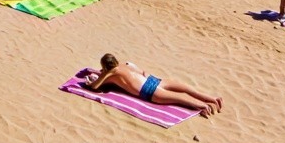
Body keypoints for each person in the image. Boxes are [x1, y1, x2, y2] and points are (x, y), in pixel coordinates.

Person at [83, 53, 221, 115]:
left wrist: (103, 75)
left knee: (180, 98)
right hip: (153, 80)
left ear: (105, 67)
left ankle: (204, 106)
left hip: (147, 90)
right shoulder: (126, 64)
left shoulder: (110, 74)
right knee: (185, 88)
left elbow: (94, 87)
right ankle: (212, 98)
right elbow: (141, 71)